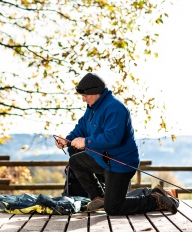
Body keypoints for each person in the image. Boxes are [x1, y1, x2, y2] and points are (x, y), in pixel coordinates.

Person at [55, 72, 179, 215]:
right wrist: (67, 140)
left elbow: (112, 138)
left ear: (95, 92)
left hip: (120, 163)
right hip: (103, 159)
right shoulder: (92, 109)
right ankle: (99, 197)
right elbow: (81, 128)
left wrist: (86, 142)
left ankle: (155, 199)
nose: (83, 99)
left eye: (85, 96)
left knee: (113, 208)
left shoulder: (115, 108)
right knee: (75, 161)